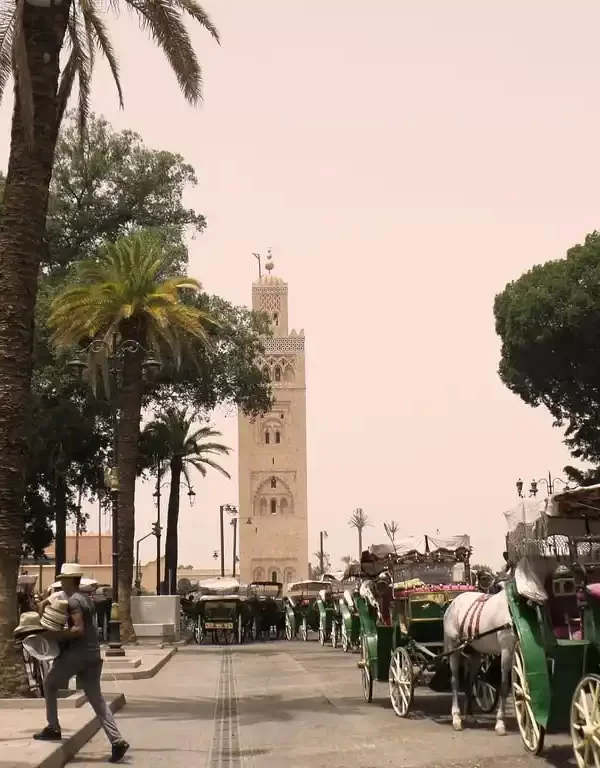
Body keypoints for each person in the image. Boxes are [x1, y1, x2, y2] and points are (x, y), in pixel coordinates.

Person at [33, 563, 129, 763]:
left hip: (78, 654)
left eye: (63, 579)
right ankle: (117, 741)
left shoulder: (75, 601)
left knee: (50, 684)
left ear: (70, 580)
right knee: (96, 699)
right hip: (93, 654)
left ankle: (53, 727)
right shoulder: (86, 599)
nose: (60, 582)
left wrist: (54, 635)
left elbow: (78, 630)